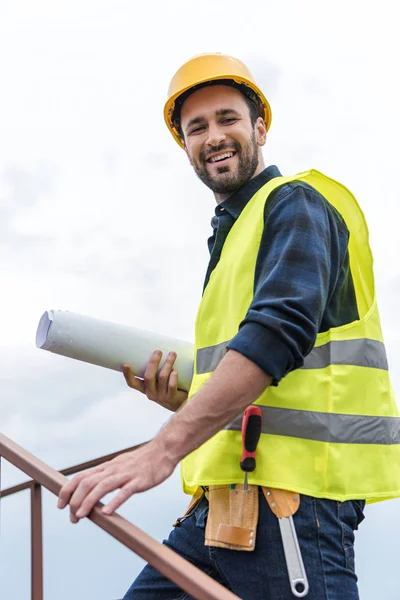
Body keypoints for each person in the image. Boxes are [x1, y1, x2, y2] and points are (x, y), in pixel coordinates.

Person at [57, 53, 400, 599]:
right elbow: (271, 383)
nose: (214, 135)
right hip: (220, 508)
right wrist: (184, 400)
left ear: (259, 128)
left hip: (292, 506)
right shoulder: (234, 237)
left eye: (228, 119)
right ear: (186, 148)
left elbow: (276, 336)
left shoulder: (297, 205)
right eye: (198, 128)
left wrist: (163, 448)